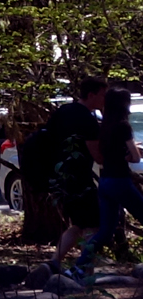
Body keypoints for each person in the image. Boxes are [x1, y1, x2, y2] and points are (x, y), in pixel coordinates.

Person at [41, 77, 111, 275]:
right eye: (102, 96)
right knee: (93, 225)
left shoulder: (62, 111)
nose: (104, 100)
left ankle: (54, 262)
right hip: (79, 178)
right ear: (91, 95)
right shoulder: (87, 119)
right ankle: (85, 271)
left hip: (59, 176)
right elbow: (98, 156)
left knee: (79, 223)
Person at [81, 89, 143, 268]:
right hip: (120, 181)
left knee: (105, 231)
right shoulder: (123, 126)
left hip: (105, 181)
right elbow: (136, 157)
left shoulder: (105, 126)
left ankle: (79, 267)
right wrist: (129, 156)